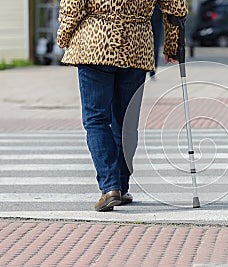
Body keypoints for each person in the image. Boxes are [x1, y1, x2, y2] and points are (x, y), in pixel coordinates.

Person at [57, 0, 187, 211]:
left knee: (96, 119)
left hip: (95, 42)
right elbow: (176, 8)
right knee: (126, 122)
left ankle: (110, 188)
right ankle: (121, 186)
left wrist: (64, 36)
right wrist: (173, 45)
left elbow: (73, 5)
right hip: (136, 44)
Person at [150, 3, 164, 78]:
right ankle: (152, 69)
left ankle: (151, 69)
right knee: (155, 44)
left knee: (154, 45)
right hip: (157, 14)